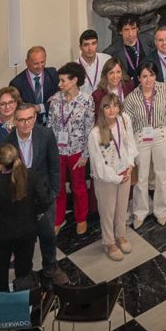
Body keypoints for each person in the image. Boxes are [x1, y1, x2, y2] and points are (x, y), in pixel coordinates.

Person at [0, 101, 59, 275]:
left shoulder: (46, 134)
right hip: (20, 199)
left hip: (44, 195)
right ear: (15, 121)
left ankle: (50, 266)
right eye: (21, 120)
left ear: (35, 118)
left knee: (48, 235)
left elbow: (54, 165)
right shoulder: (6, 143)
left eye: (30, 119)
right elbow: (3, 176)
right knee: (23, 240)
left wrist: (54, 192)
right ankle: (25, 273)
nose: (26, 124)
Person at [123, 63, 166, 226]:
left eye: (152, 75)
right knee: (141, 176)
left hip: (161, 133)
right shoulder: (131, 98)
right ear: (138, 78)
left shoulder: (164, 89)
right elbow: (128, 126)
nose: (148, 80)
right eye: (145, 76)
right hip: (140, 137)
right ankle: (140, 212)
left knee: (162, 174)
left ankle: (162, 210)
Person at [88, 93, 137, 262]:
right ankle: (109, 242)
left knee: (122, 207)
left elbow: (130, 142)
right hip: (107, 179)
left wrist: (130, 164)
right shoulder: (96, 133)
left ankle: (121, 235)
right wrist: (115, 177)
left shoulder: (123, 120)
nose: (112, 110)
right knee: (107, 211)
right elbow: (99, 163)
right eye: (107, 106)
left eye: (115, 106)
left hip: (125, 171)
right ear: (102, 109)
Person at [0, 141, 38, 290]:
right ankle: (25, 301)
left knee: (0, 269)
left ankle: (1, 304)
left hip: (2, 233)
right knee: (25, 269)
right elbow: (43, 200)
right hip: (26, 231)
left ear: (0, 165)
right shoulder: (30, 177)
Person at [47, 62, 93, 237]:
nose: (59, 84)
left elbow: (90, 129)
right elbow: (50, 126)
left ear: (74, 80)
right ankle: (58, 219)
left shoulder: (86, 101)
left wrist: (85, 154)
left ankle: (81, 218)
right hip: (57, 152)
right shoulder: (55, 99)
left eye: (63, 81)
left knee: (78, 187)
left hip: (76, 152)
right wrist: (50, 152)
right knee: (57, 187)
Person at [10, 46, 59, 124]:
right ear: (27, 62)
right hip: (30, 126)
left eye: (43, 62)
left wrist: (39, 107)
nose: (40, 66)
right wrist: (47, 104)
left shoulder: (53, 74)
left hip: (52, 123)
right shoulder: (16, 83)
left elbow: (59, 101)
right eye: (36, 63)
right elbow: (18, 109)